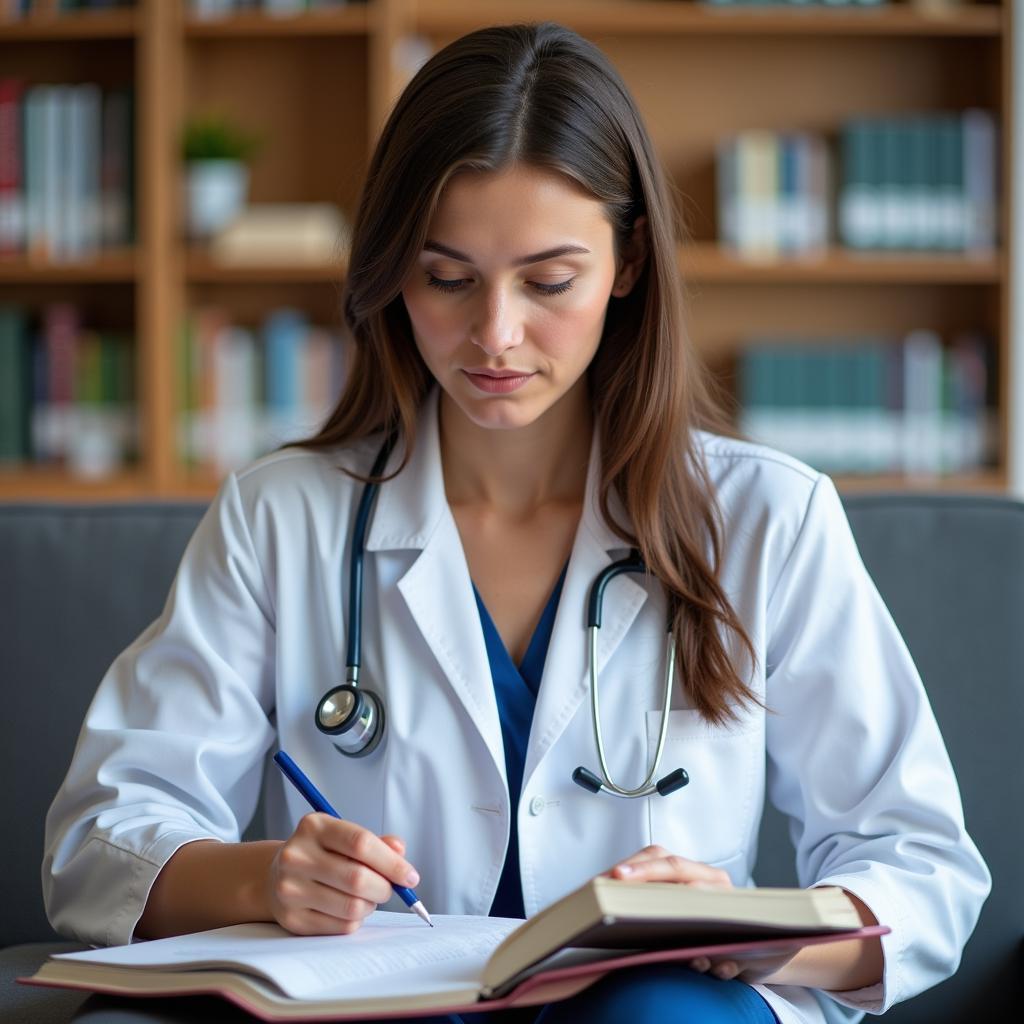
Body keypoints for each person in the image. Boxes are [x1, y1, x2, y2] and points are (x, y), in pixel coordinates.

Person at [43, 21, 989, 1024]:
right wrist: (260, 877)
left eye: (547, 281)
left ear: (626, 265)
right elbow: (103, 829)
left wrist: (760, 928)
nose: (495, 333)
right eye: (446, 277)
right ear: (391, 270)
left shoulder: (768, 519)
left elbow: (919, 862)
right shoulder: (284, 517)